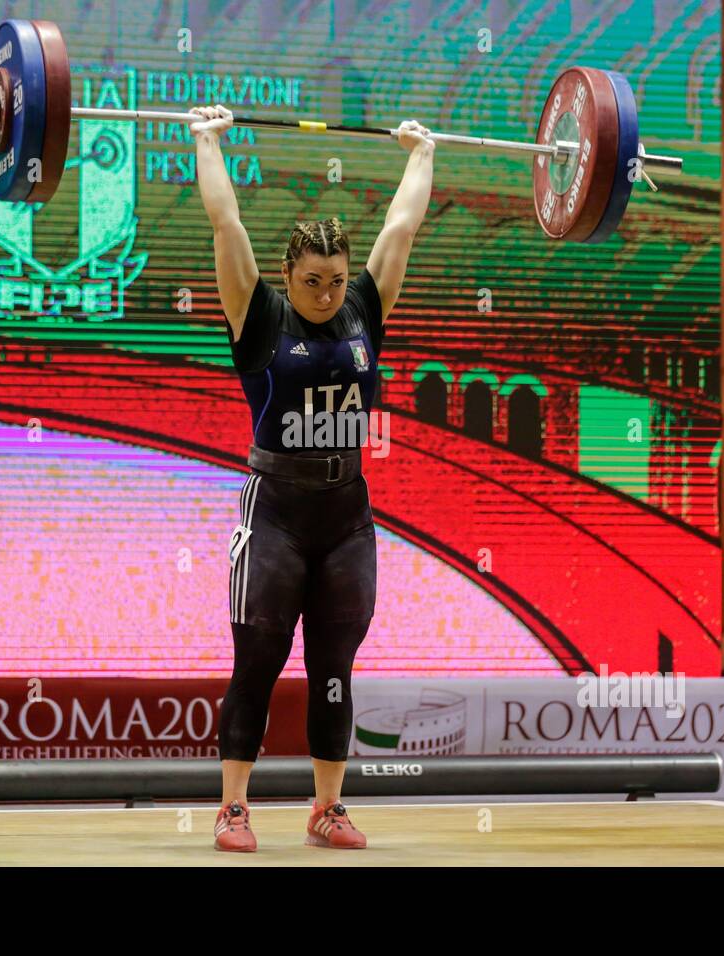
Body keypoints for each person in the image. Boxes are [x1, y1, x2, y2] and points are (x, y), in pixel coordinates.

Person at [191, 102, 434, 851]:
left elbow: (400, 229)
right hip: (276, 513)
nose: (328, 294)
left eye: (335, 280)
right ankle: (234, 807)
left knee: (335, 661)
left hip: (346, 513)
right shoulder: (259, 316)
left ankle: (327, 808)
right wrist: (207, 142)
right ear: (288, 273)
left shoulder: (364, 309)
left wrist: (420, 152)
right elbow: (227, 226)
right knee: (258, 657)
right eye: (313, 281)